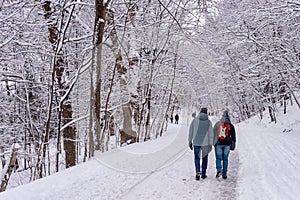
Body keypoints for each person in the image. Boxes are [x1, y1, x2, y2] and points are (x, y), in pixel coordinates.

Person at [188, 107, 214, 180]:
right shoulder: (208, 122)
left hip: (196, 142)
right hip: (205, 143)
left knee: (197, 157)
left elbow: (190, 132)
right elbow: (211, 133)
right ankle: (203, 173)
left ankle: (197, 172)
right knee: (205, 158)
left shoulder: (194, 121)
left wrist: (190, 142)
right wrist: (211, 143)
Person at [213, 110, 236, 180]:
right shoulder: (231, 126)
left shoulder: (217, 124)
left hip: (218, 144)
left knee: (218, 158)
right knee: (225, 159)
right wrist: (233, 144)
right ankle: (224, 174)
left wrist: (213, 143)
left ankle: (219, 170)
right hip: (227, 145)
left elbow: (213, 134)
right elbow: (233, 136)